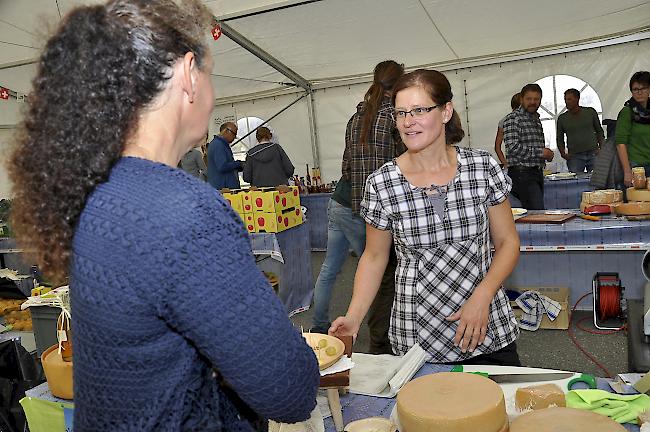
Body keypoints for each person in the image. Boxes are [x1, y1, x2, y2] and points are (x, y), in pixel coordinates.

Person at [7, 1, 319, 430]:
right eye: (211, 74)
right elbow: (289, 390)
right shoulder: (185, 213)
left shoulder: (94, 191)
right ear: (189, 74)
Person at [330, 69, 521, 366]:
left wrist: (482, 297)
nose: (408, 122)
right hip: (418, 336)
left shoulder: (482, 168)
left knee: (503, 408)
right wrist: (354, 318)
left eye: (419, 110)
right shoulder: (382, 183)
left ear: (446, 111)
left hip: (485, 326)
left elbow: (508, 242)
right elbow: (374, 257)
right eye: (401, 113)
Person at [310, 60, 404, 336]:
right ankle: (381, 334)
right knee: (377, 273)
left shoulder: (356, 117)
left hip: (339, 202)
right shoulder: (395, 118)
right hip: (367, 208)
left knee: (329, 268)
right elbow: (401, 166)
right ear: (398, 84)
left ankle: (318, 325)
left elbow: (346, 166)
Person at [503, 83, 555, 210]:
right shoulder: (513, 118)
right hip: (522, 174)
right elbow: (512, 147)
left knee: (535, 213)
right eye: (529, 99)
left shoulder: (535, 119)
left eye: (536, 99)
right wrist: (541, 153)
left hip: (536, 173)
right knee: (537, 214)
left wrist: (546, 156)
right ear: (521, 99)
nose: (533, 102)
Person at [556, 88, 604, 173]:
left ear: (577, 99)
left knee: (598, 180)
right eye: (565, 99)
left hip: (593, 153)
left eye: (569, 99)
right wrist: (563, 154)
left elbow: (599, 131)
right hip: (574, 156)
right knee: (575, 181)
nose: (567, 102)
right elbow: (559, 138)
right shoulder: (562, 118)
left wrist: (602, 148)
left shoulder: (590, 112)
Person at [616, 71, 650, 186]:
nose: (639, 92)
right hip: (637, 166)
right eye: (635, 89)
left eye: (643, 88)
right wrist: (627, 171)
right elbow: (620, 143)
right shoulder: (627, 111)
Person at [208, 122, 243, 190]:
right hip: (224, 189)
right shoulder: (218, 145)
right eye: (234, 134)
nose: (235, 137)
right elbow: (222, 166)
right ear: (226, 131)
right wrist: (238, 164)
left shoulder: (220, 144)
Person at [494, 92, 520, 168]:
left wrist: (505, 163)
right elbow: (497, 146)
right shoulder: (505, 121)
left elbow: (497, 146)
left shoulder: (504, 120)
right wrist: (505, 163)